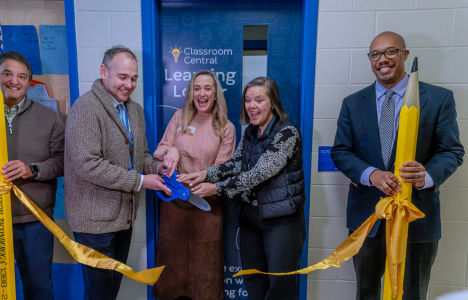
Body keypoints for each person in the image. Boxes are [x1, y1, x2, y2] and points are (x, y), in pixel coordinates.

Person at [331, 31, 464, 300]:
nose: (382, 59)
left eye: (390, 51)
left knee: (413, 292)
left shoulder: (438, 99)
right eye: (375, 54)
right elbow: (341, 151)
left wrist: (427, 175)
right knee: (366, 291)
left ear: (404, 55)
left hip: (417, 217)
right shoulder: (353, 103)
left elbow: (452, 151)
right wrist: (372, 174)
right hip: (368, 217)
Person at [179, 77, 305, 300]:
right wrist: (205, 173)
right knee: (253, 280)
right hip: (251, 218)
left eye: (259, 100)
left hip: (281, 220)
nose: (252, 106)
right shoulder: (251, 132)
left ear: (273, 103)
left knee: (280, 285)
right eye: (248, 100)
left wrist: (216, 188)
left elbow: (258, 173)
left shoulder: (288, 133)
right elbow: (237, 163)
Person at [64, 46, 171, 300]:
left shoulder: (133, 110)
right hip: (93, 223)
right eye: (123, 77)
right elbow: (88, 165)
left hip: (123, 219)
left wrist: (158, 168)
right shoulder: (86, 108)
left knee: (111, 291)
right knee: (99, 293)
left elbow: (141, 156)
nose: (129, 84)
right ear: (104, 71)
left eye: (133, 78)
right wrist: (143, 180)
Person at [0, 51, 65, 300]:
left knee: (39, 289)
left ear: (29, 82)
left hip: (34, 220)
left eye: (22, 76)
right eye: (7, 74)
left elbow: (62, 161)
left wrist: (32, 170)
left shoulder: (49, 119)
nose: (15, 81)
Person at [151, 70, 236, 300]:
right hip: (174, 203)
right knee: (172, 268)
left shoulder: (226, 127)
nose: (202, 93)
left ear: (216, 93)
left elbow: (223, 170)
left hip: (205, 204)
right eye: (197, 88)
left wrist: (200, 175)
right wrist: (172, 150)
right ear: (190, 92)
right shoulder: (180, 117)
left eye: (207, 88)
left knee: (205, 270)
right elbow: (158, 151)